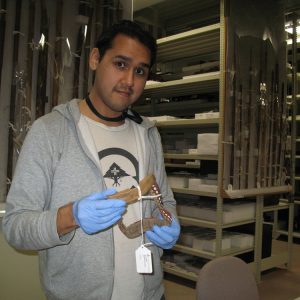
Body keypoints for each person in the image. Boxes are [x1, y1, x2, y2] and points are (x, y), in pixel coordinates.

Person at [2, 20, 180, 300]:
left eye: (140, 71)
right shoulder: (51, 131)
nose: (129, 81)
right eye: (120, 64)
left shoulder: (148, 134)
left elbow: (163, 200)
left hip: (149, 294)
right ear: (96, 59)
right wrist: (69, 217)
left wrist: (167, 218)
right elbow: (15, 225)